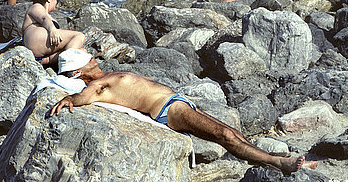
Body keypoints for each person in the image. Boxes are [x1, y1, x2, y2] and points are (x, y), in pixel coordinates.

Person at [50, 50, 318, 175]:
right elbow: (83, 97)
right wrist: (70, 98)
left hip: (177, 102)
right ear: (79, 72)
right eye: (89, 61)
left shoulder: (104, 75)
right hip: (168, 110)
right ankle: (281, 164)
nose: (94, 60)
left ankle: (278, 159)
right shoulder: (97, 85)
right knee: (225, 134)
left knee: (232, 132)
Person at [22, 0, 85, 66]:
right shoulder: (36, 6)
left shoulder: (44, 11)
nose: (56, 2)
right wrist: (53, 30)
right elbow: (44, 18)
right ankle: (67, 64)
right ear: (49, 0)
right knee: (79, 36)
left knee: (82, 51)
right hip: (35, 39)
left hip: (39, 44)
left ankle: (47, 60)